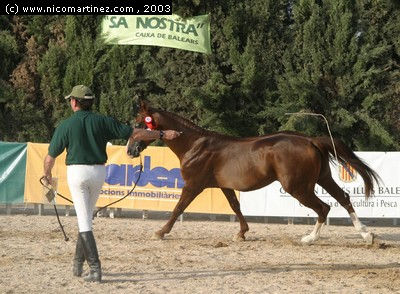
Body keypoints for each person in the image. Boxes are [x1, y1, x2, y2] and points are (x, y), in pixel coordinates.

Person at [42, 85, 180, 283]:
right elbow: (136, 134)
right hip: (98, 172)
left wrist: (46, 175)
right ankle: (77, 264)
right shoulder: (103, 121)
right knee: (86, 218)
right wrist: (162, 135)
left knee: (84, 221)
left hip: (77, 173)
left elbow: (49, 158)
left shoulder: (66, 125)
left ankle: (96, 269)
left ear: (74, 102)